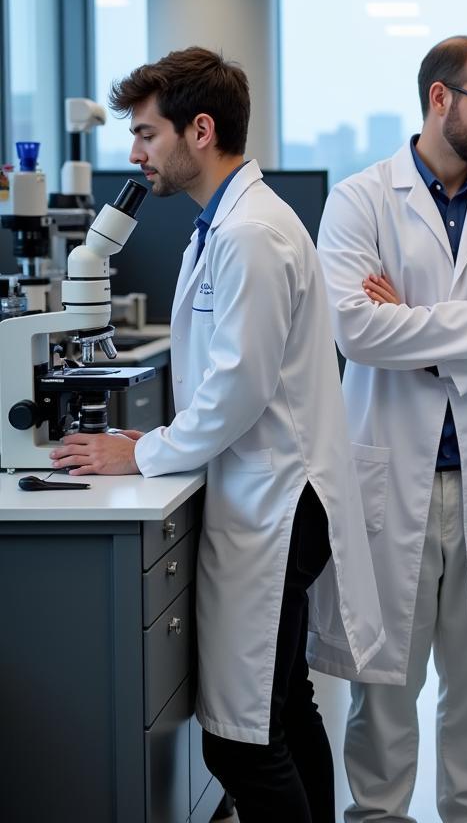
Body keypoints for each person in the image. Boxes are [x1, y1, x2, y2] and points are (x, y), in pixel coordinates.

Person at [50, 46, 384, 823]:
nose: (135, 155)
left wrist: (143, 450)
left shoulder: (250, 235)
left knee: (238, 742)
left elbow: (238, 387)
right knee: (285, 707)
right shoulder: (227, 224)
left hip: (276, 501)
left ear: (200, 130)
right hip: (270, 489)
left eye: (146, 134)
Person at [309, 35, 467, 823]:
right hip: (388, 477)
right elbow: (355, 332)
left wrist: (415, 327)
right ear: (440, 98)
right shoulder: (358, 198)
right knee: (382, 687)